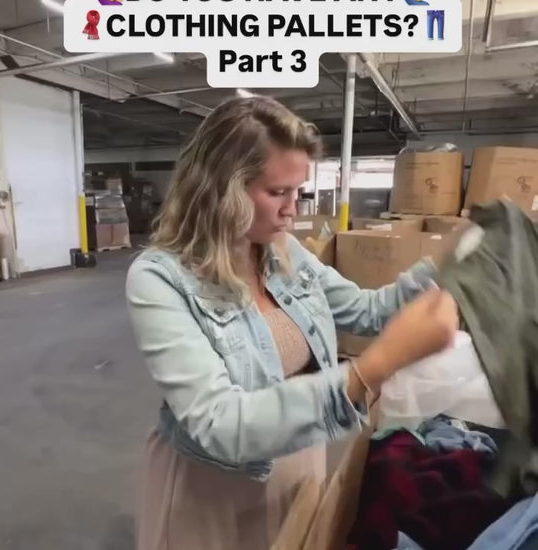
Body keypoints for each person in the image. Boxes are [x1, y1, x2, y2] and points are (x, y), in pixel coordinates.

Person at [125, 96, 458, 550]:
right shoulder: (159, 279)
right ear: (221, 190)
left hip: (299, 462)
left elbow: (364, 310)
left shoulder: (284, 251)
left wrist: (448, 263)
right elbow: (220, 423)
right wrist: (369, 371)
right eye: (277, 192)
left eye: (297, 191)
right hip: (215, 489)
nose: (292, 210)